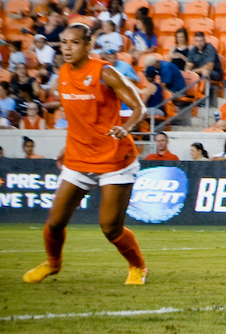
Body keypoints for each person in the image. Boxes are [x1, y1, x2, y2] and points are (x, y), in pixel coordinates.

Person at [23, 24, 149, 286]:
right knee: (55, 222)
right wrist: (66, 148)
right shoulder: (64, 72)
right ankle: (53, 263)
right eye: (64, 43)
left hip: (114, 158)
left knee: (110, 228)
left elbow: (139, 107)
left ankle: (138, 267)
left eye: (75, 43)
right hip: (78, 158)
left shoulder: (106, 73)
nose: (67, 48)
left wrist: (124, 128)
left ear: (88, 45)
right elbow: (79, 118)